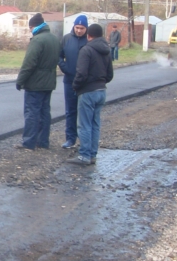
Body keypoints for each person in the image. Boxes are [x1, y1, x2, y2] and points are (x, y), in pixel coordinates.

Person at [67, 24, 114, 166]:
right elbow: (110, 74)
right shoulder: (106, 51)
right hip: (101, 91)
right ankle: (93, 154)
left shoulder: (86, 50)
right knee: (95, 124)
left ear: (89, 35)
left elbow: (81, 73)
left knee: (84, 124)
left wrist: (75, 86)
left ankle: (84, 155)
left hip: (87, 92)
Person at [15, 13, 61, 151]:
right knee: (44, 113)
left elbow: (29, 63)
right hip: (49, 82)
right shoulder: (54, 39)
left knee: (32, 113)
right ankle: (43, 142)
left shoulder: (37, 40)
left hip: (35, 83)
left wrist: (20, 80)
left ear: (32, 26)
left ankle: (28, 143)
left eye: (30, 28)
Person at [58, 15, 89, 149]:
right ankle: (70, 139)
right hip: (69, 80)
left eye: (82, 28)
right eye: (77, 27)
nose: (79, 31)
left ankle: (85, 141)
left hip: (85, 82)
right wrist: (65, 68)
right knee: (70, 111)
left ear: (86, 28)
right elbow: (58, 56)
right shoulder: (66, 39)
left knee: (84, 112)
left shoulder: (89, 41)